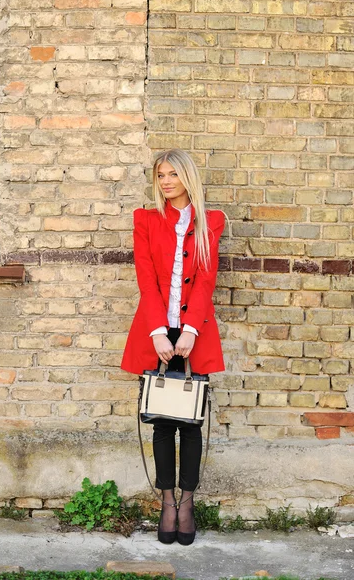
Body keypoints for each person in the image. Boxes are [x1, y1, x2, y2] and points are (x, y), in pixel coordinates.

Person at [121, 148, 226, 546]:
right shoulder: (145, 220)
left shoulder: (209, 222)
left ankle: (188, 501)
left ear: (188, 178)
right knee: (163, 421)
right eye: (160, 175)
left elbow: (205, 280)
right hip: (158, 330)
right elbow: (146, 280)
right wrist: (157, 332)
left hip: (193, 331)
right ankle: (167, 501)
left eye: (173, 174)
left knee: (192, 420)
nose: (166, 182)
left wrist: (190, 332)